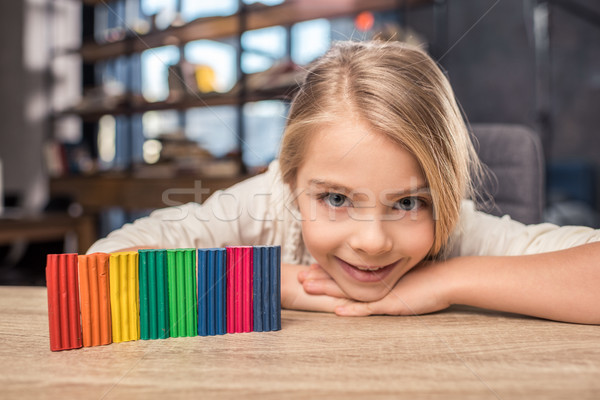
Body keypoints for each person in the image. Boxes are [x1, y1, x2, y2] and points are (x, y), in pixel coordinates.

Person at [88, 40, 600, 324]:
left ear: (445, 193)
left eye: (408, 202)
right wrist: (271, 285)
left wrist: (446, 280)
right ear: (292, 181)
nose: (372, 242)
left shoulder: (455, 232)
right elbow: (102, 271)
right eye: (335, 198)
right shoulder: (266, 206)